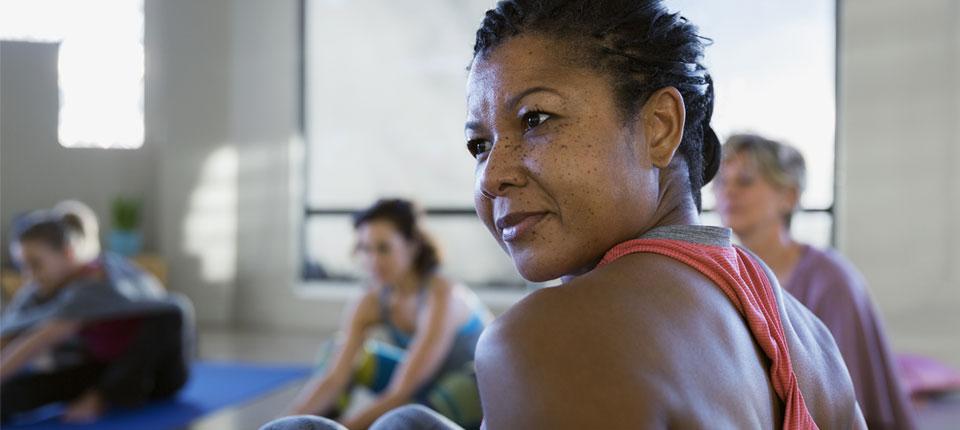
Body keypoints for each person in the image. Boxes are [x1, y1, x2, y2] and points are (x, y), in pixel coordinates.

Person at [265, 1, 866, 429]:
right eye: (478, 144)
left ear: (659, 129)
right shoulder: (808, 338)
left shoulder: (549, 336)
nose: (491, 174)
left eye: (536, 120)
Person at [713, 133, 917, 430]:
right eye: (721, 182)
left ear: (790, 196)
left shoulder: (832, 282)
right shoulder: (727, 275)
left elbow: (843, 404)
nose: (728, 191)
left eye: (744, 181)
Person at [282, 199, 492, 430]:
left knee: (426, 405)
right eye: (365, 248)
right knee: (337, 351)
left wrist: (347, 428)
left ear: (412, 246)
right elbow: (334, 379)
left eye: (383, 249)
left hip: (477, 391)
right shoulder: (371, 300)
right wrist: (284, 424)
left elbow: (401, 392)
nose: (373, 260)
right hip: (426, 385)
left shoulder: (442, 296)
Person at [0, 211, 189, 424]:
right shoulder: (41, 287)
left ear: (68, 253)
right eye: (22, 266)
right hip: (98, 369)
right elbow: (9, 333)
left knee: (171, 313)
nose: (29, 275)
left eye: (35, 264)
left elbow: (39, 340)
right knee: (10, 394)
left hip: (150, 377)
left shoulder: (94, 281)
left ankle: (101, 398)